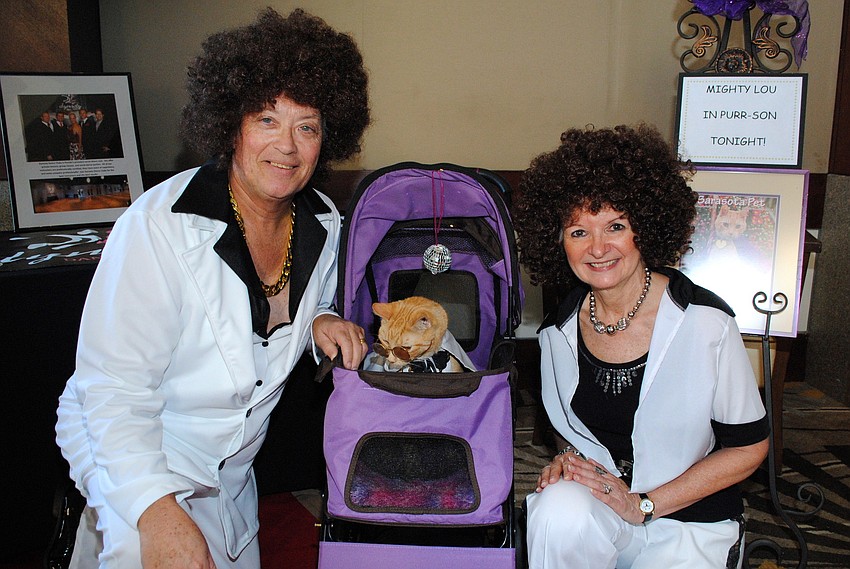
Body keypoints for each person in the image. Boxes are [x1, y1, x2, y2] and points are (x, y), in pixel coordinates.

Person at [55, 8, 371, 568]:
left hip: (231, 479)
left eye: (308, 125)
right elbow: (112, 395)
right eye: (267, 120)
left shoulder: (324, 222)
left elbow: (298, 304)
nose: (288, 146)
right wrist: (155, 512)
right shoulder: (158, 224)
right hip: (138, 455)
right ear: (231, 124)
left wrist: (320, 318)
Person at [512, 124, 769, 569]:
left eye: (615, 226)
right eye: (578, 232)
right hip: (606, 508)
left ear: (644, 228)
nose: (597, 248)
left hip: (689, 521)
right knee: (556, 509)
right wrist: (568, 462)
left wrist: (644, 504)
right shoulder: (555, 333)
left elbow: (749, 447)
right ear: (558, 242)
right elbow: (575, 431)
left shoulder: (706, 322)